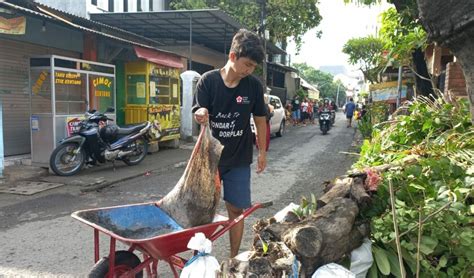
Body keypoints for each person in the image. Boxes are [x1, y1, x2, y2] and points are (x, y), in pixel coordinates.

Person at [193, 29, 267, 258]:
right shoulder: (209, 81)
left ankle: (233, 257)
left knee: (236, 210)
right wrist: (201, 113)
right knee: (202, 211)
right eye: (247, 64)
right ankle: (199, 256)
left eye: (254, 67)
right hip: (209, 158)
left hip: (239, 159)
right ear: (233, 56)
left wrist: (262, 151)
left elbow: (260, 120)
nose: (249, 71)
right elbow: (199, 110)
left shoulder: (253, 86)